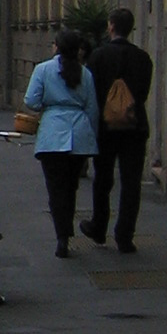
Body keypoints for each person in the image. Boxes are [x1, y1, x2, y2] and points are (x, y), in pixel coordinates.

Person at [21, 28, 100, 257]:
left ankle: (62, 236)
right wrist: (91, 136)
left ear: (56, 46)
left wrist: (49, 106)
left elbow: (31, 101)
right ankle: (67, 229)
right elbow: (93, 109)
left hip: (52, 135)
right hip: (79, 135)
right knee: (71, 187)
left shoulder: (43, 70)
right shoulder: (85, 74)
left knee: (55, 189)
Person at [82, 8, 154, 253]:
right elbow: (143, 94)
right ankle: (125, 235)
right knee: (131, 182)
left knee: (102, 179)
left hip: (105, 127)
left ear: (111, 26)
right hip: (134, 127)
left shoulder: (98, 57)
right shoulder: (143, 58)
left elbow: (90, 94)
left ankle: (98, 227)